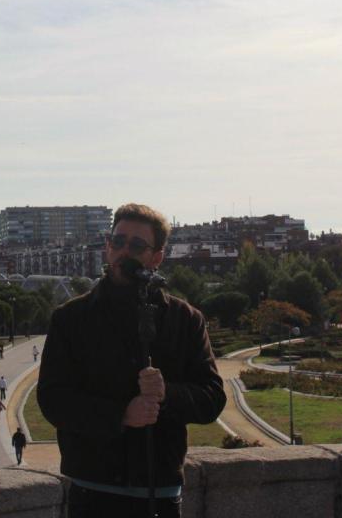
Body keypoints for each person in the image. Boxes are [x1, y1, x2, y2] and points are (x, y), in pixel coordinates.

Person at [37, 203, 226, 518]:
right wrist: (120, 415)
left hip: (161, 493)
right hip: (91, 491)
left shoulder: (185, 319)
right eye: (117, 241)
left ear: (156, 257)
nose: (124, 251)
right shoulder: (70, 319)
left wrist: (167, 394)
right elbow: (53, 399)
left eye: (137, 245)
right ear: (108, 247)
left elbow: (213, 398)